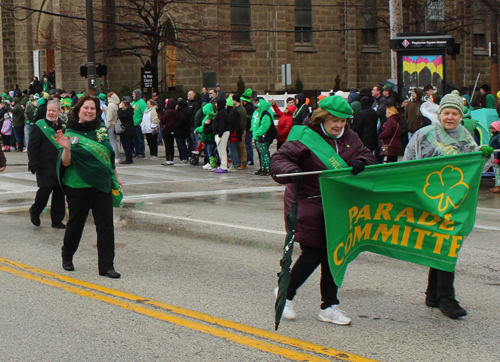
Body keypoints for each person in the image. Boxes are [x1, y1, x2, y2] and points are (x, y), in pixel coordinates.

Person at [270, 96, 375, 325]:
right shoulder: (305, 136)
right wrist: (292, 170)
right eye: (334, 120)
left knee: (336, 253)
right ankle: (285, 292)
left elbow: (367, 155)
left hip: (338, 203)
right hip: (309, 200)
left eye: (344, 121)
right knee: (314, 253)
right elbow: (279, 160)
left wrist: (362, 162)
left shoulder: (350, 137)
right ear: (322, 118)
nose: (339, 125)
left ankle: (329, 306)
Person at [403, 90, 493, 319]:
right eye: (446, 113)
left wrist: (485, 157)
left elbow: (476, 170)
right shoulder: (423, 135)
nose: (450, 117)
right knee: (443, 244)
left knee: (445, 244)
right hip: (427, 198)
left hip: (454, 202)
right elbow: (407, 163)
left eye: (454, 113)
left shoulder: (465, 137)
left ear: (460, 116)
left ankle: (434, 294)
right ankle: (446, 298)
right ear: (440, 114)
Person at [55, 94, 122, 279]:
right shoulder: (70, 132)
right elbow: (66, 163)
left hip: (101, 185)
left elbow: (108, 156)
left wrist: (115, 177)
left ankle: (107, 266)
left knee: (106, 226)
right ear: (78, 110)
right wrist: (67, 148)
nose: (89, 111)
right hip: (78, 186)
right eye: (86, 108)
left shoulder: (100, 131)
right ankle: (67, 254)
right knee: (76, 224)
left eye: (93, 108)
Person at [28, 99, 66, 229]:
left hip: (61, 164)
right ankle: (35, 210)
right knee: (45, 190)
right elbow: (32, 146)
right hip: (44, 165)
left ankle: (57, 220)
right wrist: (33, 162)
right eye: (49, 110)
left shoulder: (64, 126)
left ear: (59, 112)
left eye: (54, 110)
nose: (51, 113)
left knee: (59, 192)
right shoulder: (39, 125)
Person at [253, 99, 278, 176]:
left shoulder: (266, 115)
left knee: (265, 153)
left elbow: (264, 127)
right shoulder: (263, 114)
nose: (257, 109)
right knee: (262, 153)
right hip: (262, 137)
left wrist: (257, 134)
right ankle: (263, 168)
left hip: (265, 137)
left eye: (258, 107)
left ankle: (267, 169)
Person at [212, 98, 231, 173]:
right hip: (222, 133)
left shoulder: (222, 113)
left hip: (222, 133)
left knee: (222, 149)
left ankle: (224, 166)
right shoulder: (221, 112)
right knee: (220, 150)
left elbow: (222, 124)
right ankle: (223, 164)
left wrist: (219, 135)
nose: (216, 104)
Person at [232, 95, 248, 169]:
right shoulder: (236, 108)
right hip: (237, 130)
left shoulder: (241, 109)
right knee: (237, 146)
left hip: (241, 130)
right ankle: (238, 161)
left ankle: (243, 162)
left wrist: (241, 131)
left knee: (241, 146)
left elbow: (243, 121)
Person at [241, 88, 255, 165]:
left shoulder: (248, 108)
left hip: (248, 129)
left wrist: (246, 129)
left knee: (248, 144)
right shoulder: (249, 106)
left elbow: (248, 120)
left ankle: (250, 159)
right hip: (248, 129)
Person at [161, 98, 177, 165]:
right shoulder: (175, 111)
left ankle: (168, 159)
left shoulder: (167, 111)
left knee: (167, 145)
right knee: (171, 145)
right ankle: (171, 159)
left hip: (167, 128)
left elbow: (163, 119)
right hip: (173, 128)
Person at [106, 92, 121, 163]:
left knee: (112, 141)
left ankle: (115, 157)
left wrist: (107, 125)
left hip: (111, 124)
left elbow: (109, 116)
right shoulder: (115, 105)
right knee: (114, 141)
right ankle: (116, 156)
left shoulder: (110, 105)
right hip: (115, 124)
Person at [131, 89, 146, 158]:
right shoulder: (134, 102)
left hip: (138, 124)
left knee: (140, 139)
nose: (132, 95)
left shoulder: (142, 103)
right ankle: (137, 152)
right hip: (133, 124)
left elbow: (144, 113)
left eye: (133, 94)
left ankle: (141, 152)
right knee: (134, 140)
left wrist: (142, 122)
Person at [489, 121, 500, 193]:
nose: (490, 129)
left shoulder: (499, 137)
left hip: (497, 157)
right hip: (494, 156)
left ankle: (498, 186)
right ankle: (496, 185)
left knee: (498, 173)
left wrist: (497, 157)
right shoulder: (494, 136)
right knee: (496, 172)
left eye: (492, 128)